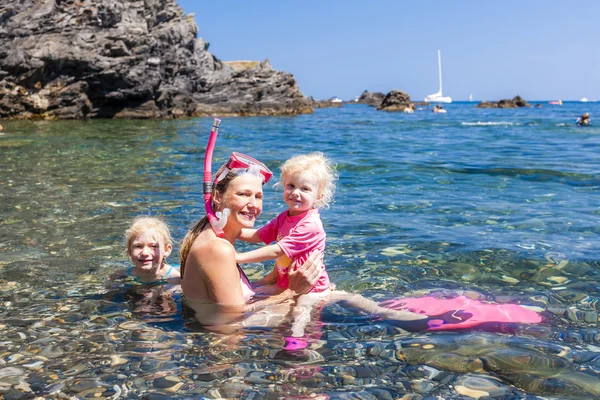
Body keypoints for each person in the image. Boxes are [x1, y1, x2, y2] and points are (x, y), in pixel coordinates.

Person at [179, 151, 469, 334]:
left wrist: (277, 285)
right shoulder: (218, 248)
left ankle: (410, 316)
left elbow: (235, 288)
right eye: (243, 194)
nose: (254, 204)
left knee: (349, 299)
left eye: (258, 196)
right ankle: (424, 321)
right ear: (217, 197)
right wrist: (292, 291)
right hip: (229, 337)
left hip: (242, 316)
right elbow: (229, 325)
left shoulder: (214, 239)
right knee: (336, 305)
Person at [236, 152, 336, 341]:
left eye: (305, 189)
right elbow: (258, 235)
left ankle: (296, 342)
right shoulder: (284, 216)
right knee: (251, 295)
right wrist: (231, 229)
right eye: (291, 186)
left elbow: (276, 250)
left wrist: (238, 257)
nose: (295, 192)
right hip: (285, 281)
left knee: (300, 312)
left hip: (311, 287)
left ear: (318, 196)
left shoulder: (311, 224)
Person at [112, 216, 180, 283]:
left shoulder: (176, 278)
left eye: (153, 246)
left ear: (166, 250)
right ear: (129, 251)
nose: (145, 253)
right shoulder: (121, 275)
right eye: (138, 246)